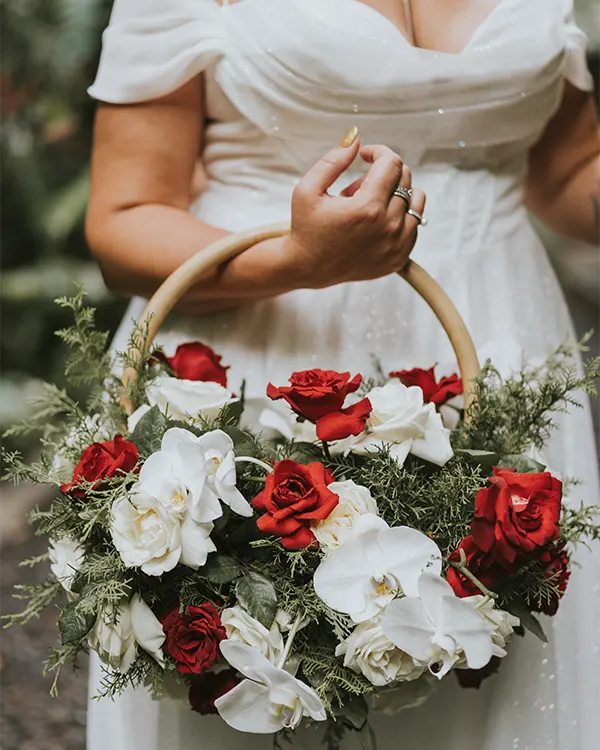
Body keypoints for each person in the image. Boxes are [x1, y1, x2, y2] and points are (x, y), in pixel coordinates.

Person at [85, 0, 600, 748]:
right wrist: (300, 262)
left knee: (493, 673)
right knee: (270, 680)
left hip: (497, 348)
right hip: (265, 368)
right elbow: (125, 216)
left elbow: (565, 169)